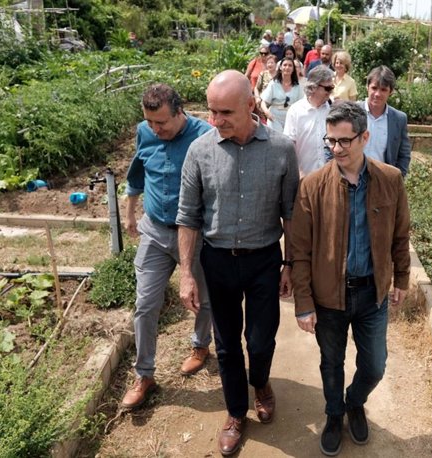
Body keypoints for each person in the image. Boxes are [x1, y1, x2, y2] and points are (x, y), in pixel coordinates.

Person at [177, 70, 299, 456]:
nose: (216, 120)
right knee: (227, 346)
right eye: (212, 111)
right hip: (217, 261)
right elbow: (187, 215)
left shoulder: (281, 149)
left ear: (251, 105)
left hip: (264, 259)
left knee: (260, 341)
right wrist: (185, 274)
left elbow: (290, 213)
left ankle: (260, 381)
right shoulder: (200, 150)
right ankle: (235, 412)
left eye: (225, 112)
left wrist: (290, 264)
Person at [290, 101, 411, 456]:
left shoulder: (390, 179)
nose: (337, 149)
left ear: (364, 137)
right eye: (332, 141)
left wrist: (401, 278)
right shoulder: (312, 186)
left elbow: (400, 235)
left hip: (372, 293)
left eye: (345, 141)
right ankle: (334, 414)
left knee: (374, 364)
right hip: (329, 296)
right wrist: (303, 302)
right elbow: (299, 250)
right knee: (331, 363)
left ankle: (355, 401)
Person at [120, 84, 213, 410]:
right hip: (156, 232)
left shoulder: (205, 136)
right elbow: (137, 175)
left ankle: (200, 344)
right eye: (150, 122)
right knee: (145, 303)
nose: (155, 129)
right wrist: (130, 213)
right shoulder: (145, 133)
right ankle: (144, 374)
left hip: (197, 235)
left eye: (162, 123)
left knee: (204, 298)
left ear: (180, 112)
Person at [360, 65, 412, 178]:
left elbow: (404, 155)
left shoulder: (399, 119)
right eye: (374, 88)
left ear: (391, 91)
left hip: (382, 183)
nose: (378, 94)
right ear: (367, 87)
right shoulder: (352, 112)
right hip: (352, 182)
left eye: (383, 89)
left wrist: (396, 180)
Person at [283, 65, 334, 177]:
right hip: (304, 177)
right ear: (314, 87)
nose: (330, 92)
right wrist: (299, 173)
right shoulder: (295, 111)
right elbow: (289, 146)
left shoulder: (333, 109)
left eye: (332, 88)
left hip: (330, 178)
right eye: (327, 88)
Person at [260, 58, 303, 132]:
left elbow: (302, 104)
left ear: (293, 69)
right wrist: (267, 112)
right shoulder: (273, 84)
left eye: (290, 65)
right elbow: (263, 102)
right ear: (280, 67)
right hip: (274, 118)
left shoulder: (297, 86)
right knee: (276, 141)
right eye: (285, 65)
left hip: (291, 118)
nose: (287, 67)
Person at [254, 54, 278, 121]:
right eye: (268, 63)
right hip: (263, 104)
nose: (270, 65)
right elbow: (256, 88)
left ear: (276, 64)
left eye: (272, 63)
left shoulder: (280, 75)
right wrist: (257, 98)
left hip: (275, 104)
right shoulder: (263, 74)